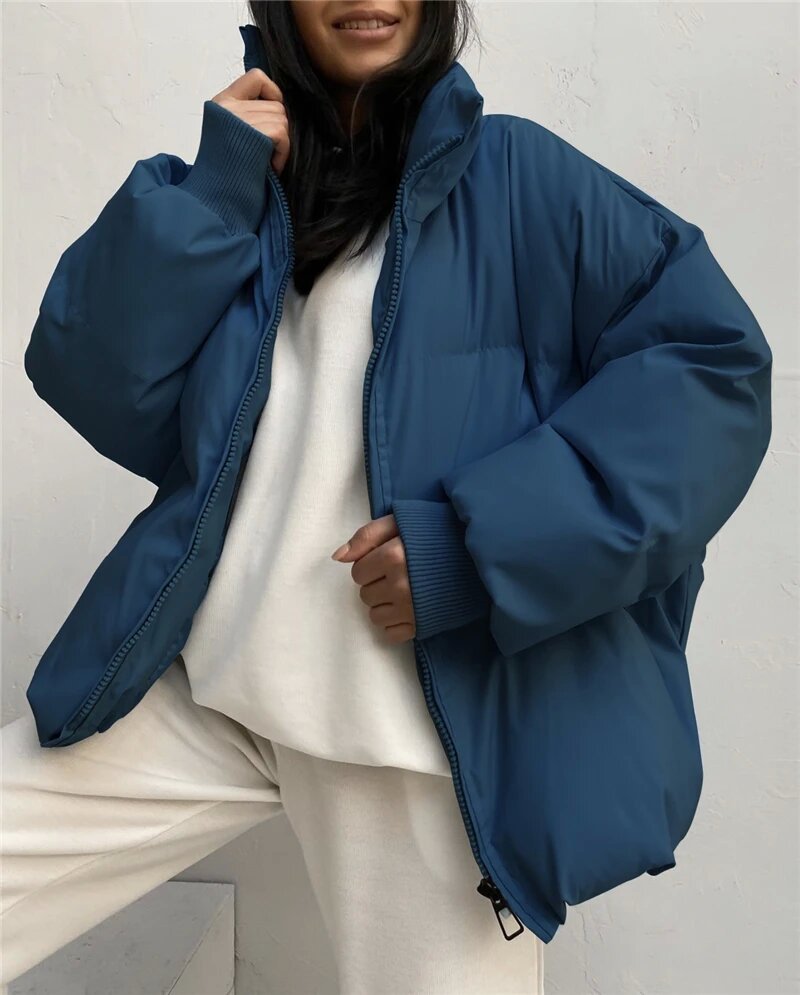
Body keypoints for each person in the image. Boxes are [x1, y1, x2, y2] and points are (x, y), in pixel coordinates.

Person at [2, 1, 772, 993]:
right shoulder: (245, 188)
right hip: (210, 685)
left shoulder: (519, 178)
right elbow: (96, 380)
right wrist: (215, 193)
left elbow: (712, 374)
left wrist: (473, 549)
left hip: (406, 739)